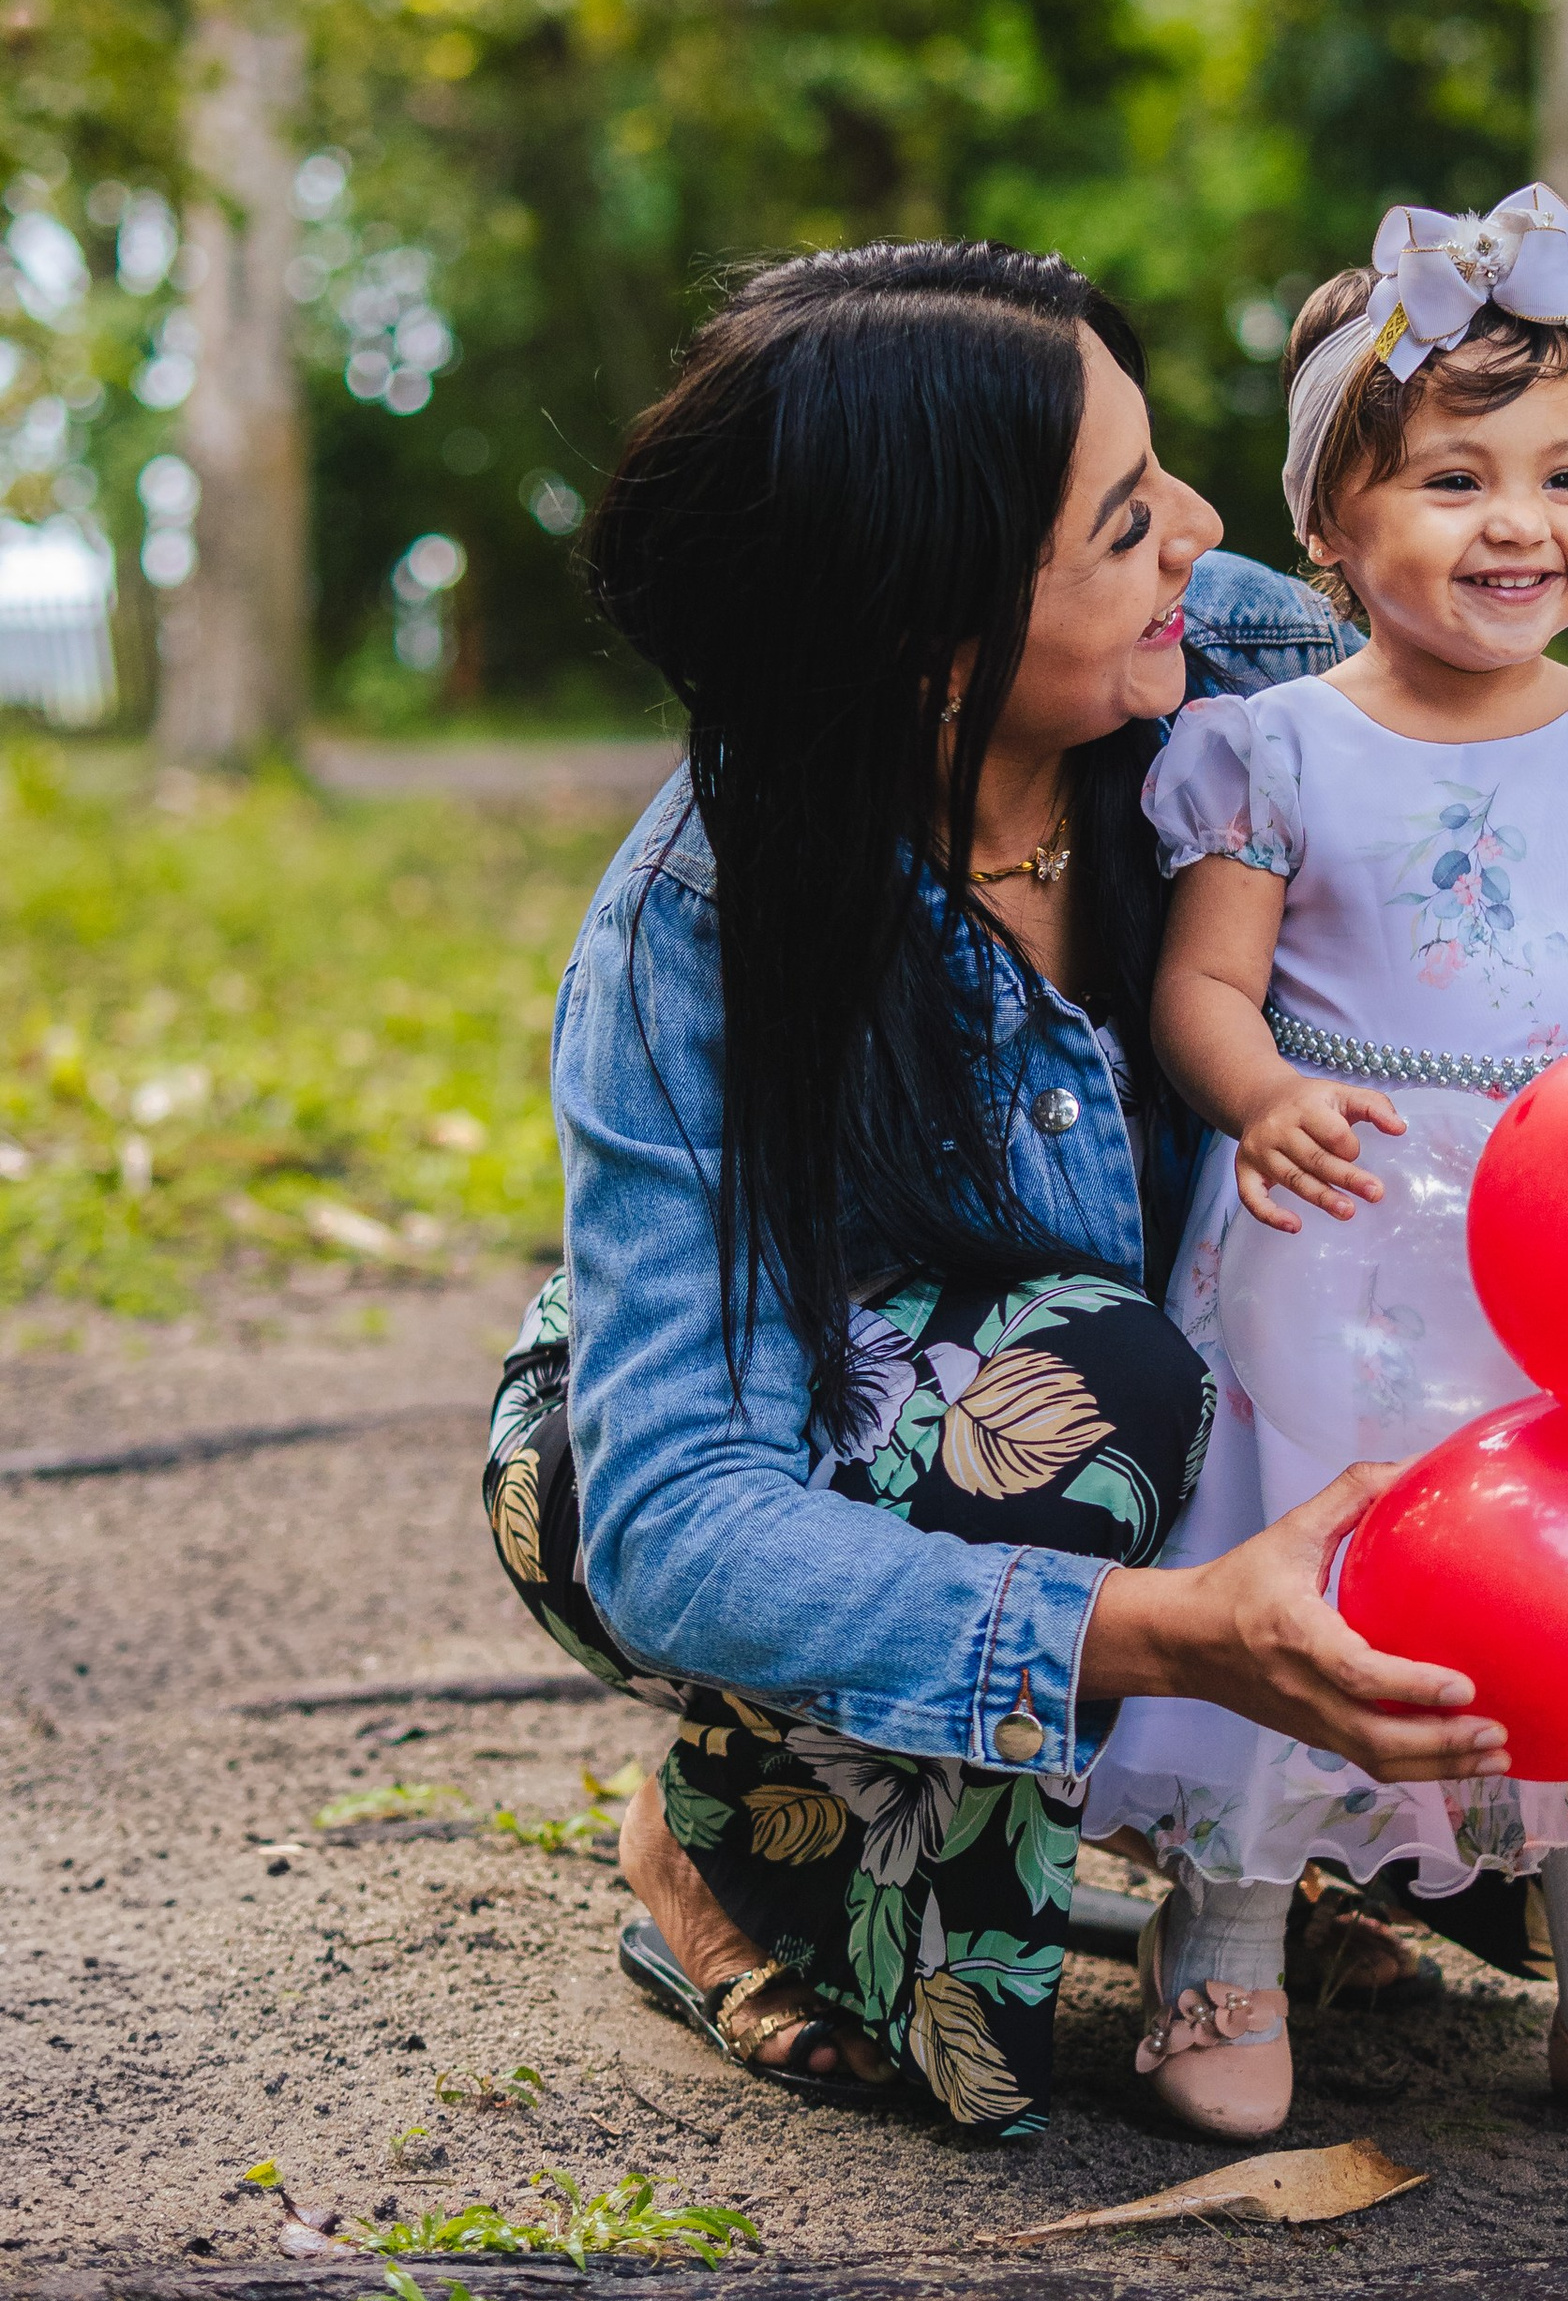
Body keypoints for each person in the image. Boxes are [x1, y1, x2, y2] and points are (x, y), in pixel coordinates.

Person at [480, 241, 1509, 2145]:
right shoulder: (700, 925)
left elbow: (1549, 812)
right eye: (1127, 520)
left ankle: (1187, 1808)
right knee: (1093, 1389)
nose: (1203, 529)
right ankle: (721, 1840)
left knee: (1491, 1786)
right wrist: (1170, 1637)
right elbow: (683, 1515)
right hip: (799, 1445)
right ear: (924, 635)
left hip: (1204, 1398)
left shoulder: (1265, 675)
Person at [1083, 188, 1568, 2146]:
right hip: (1345, 1221)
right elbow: (1202, 985)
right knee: (1318, 1560)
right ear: (1332, 529)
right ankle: (1228, 1944)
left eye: (1563, 474)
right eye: (1452, 477)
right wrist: (1256, 1094)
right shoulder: (1277, 749)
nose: (1518, 521)